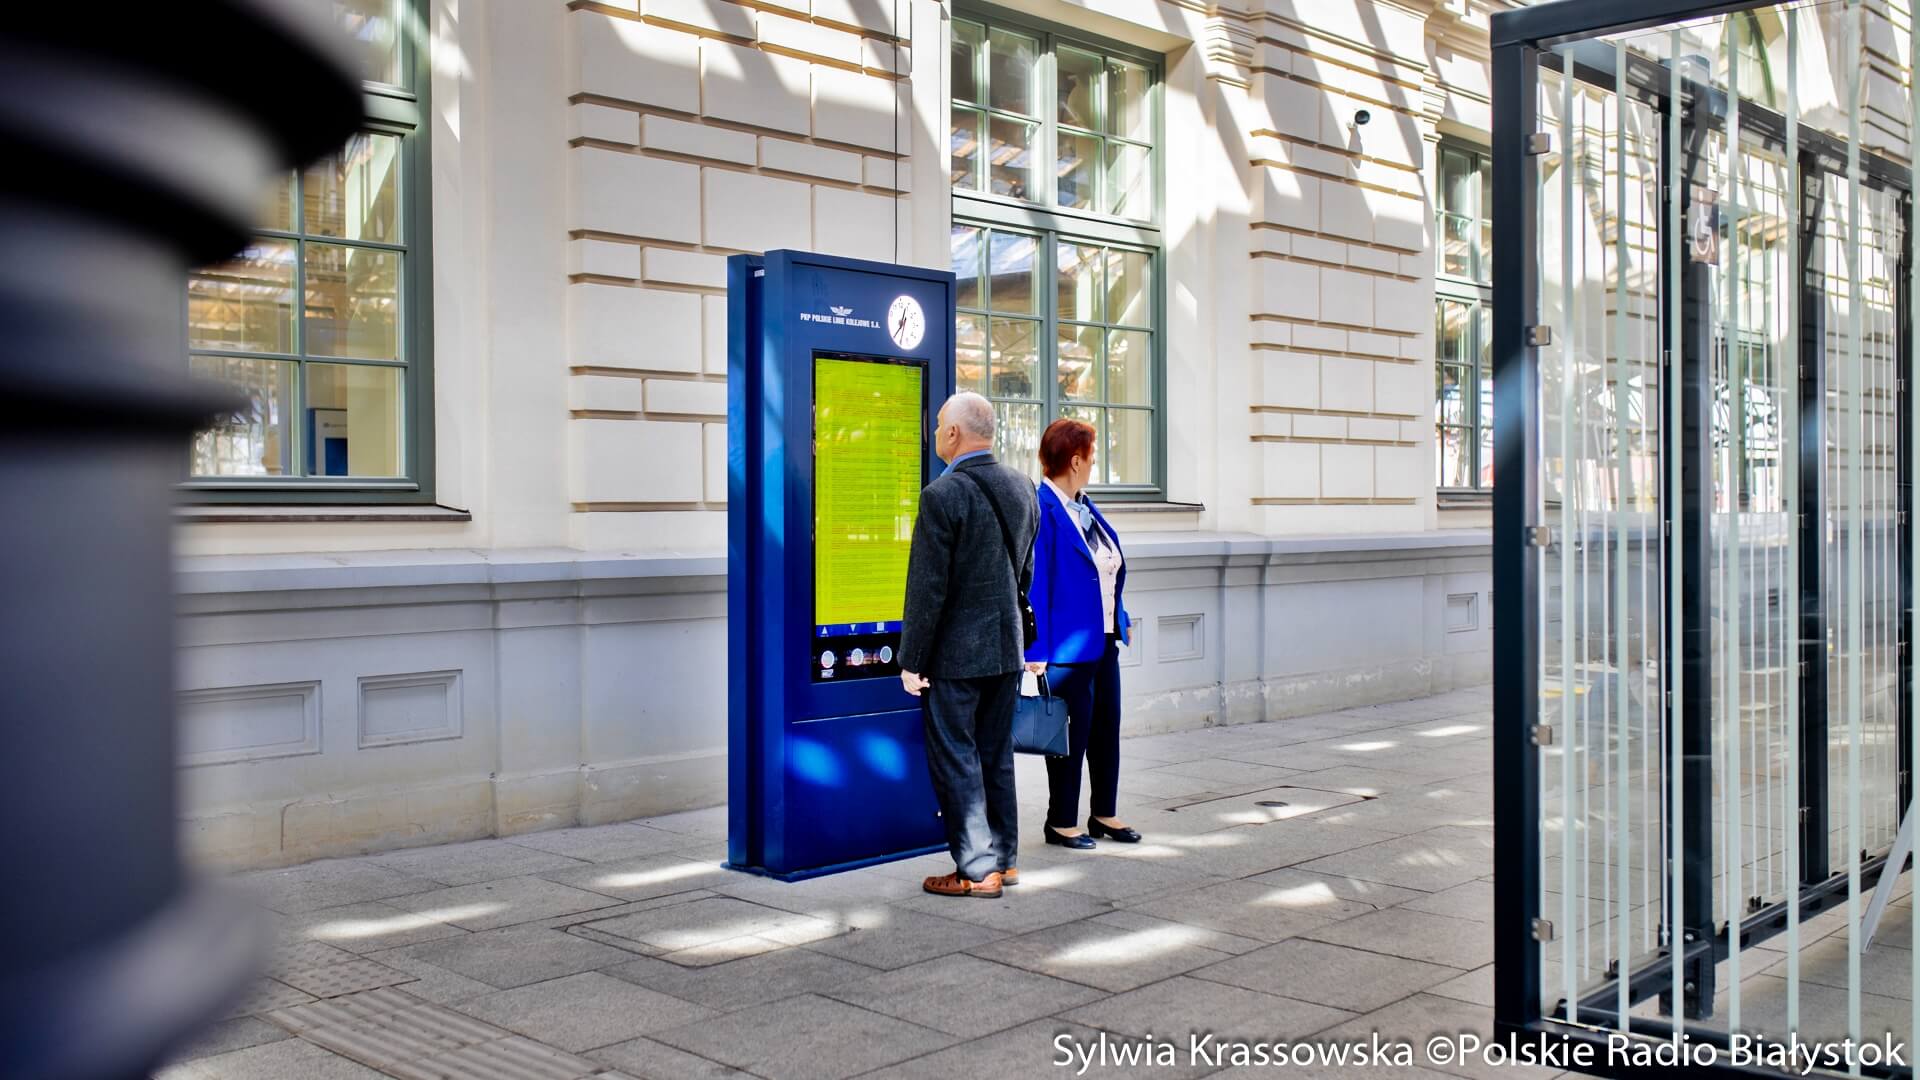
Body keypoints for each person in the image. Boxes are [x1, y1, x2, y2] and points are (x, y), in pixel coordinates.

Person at [899, 391, 1041, 898]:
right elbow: (1024, 571)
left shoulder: (943, 495)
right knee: (995, 755)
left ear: (955, 434)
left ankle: (978, 871)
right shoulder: (1024, 487)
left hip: (955, 657)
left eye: (939, 424)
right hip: (1007, 650)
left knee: (956, 757)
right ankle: (1005, 860)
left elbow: (927, 588)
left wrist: (911, 659)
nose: (935, 432)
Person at [1026, 417, 1140, 849]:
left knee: (1106, 729)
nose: (1093, 465)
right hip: (1066, 650)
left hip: (1103, 642)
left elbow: (1105, 567)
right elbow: (1036, 582)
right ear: (1075, 460)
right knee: (1069, 738)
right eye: (1092, 457)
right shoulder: (1043, 508)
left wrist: (1120, 613)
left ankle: (1104, 814)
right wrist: (1035, 649)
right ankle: (1060, 822)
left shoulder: (1084, 507)